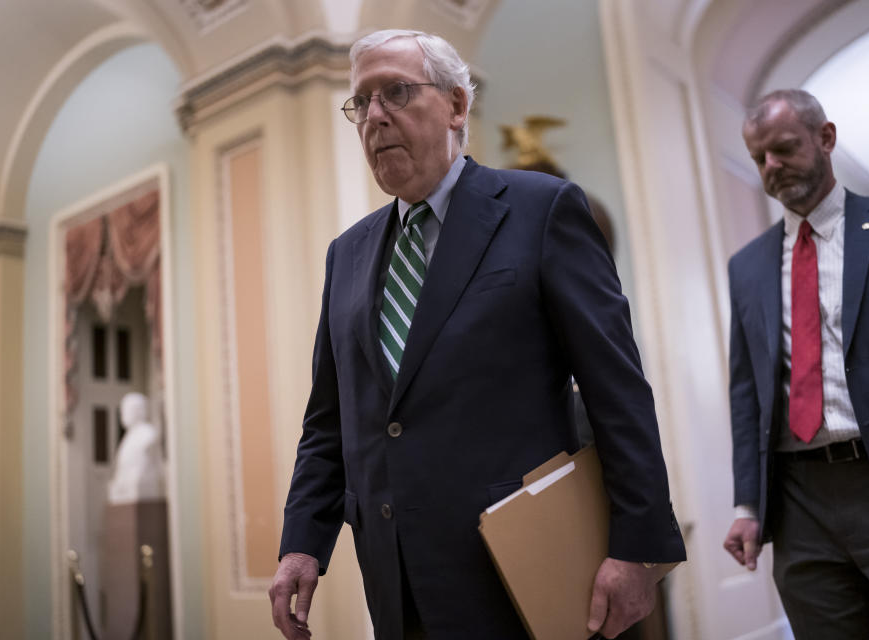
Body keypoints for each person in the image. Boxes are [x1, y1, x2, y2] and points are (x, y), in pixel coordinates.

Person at [269, 29, 685, 640]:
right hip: (395, 575)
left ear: (457, 106)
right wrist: (302, 543)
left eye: (397, 92)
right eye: (362, 103)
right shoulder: (347, 254)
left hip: (519, 569)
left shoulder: (541, 211)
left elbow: (616, 390)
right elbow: (330, 419)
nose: (375, 118)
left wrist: (639, 548)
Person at [723, 89, 869, 639]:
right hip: (798, 501)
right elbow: (747, 393)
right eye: (760, 158)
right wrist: (747, 502)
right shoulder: (748, 267)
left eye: (784, 149)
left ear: (826, 138)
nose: (772, 167)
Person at [108, 392, 164, 504]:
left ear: (138, 411)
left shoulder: (148, 434)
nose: (122, 414)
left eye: (126, 410)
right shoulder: (127, 438)